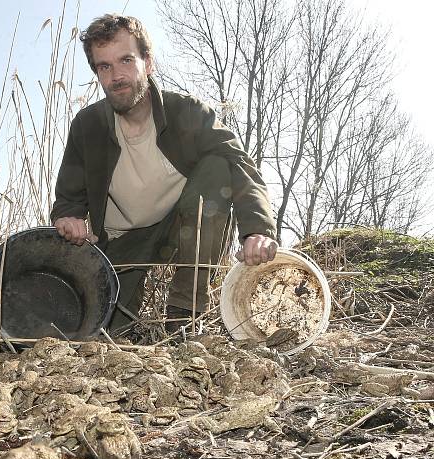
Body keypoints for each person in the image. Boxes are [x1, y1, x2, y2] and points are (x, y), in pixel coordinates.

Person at [50, 14, 278, 332]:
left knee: (218, 167)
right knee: (108, 333)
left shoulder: (189, 113)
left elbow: (240, 165)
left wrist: (257, 230)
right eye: (105, 67)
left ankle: (184, 314)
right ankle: (118, 319)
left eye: (126, 60)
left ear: (148, 62)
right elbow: (69, 198)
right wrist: (68, 217)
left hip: (182, 224)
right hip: (123, 241)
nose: (117, 76)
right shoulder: (87, 127)